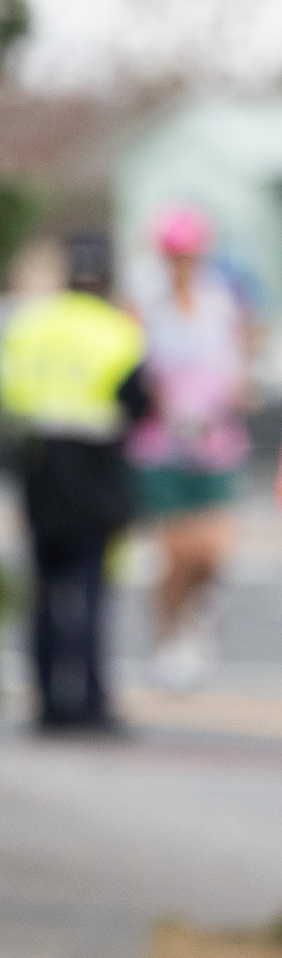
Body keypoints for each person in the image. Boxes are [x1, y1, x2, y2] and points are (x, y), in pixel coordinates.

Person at [0, 231, 149, 731]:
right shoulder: (117, 329)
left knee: (45, 586)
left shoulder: (29, 325)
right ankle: (90, 701)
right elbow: (138, 404)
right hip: (96, 469)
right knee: (91, 589)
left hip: (40, 466)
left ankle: (47, 704)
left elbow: (9, 394)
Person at [125, 205, 251, 692]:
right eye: (174, 254)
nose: (183, 262)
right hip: (162, 446)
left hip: (216, 442)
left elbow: (238, 369)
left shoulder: (220, 303)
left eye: (190, 253)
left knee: (213, 552)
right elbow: (137, 374)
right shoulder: (144, 307)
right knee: (175, 553)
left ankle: (197, 617)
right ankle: (170, 639)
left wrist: (236, 395)